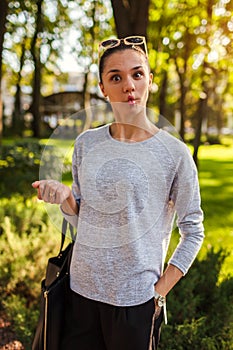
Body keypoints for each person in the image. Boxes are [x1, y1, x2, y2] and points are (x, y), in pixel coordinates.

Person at [32, 36, 204, 350]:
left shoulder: (174, 153)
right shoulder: (87, 143)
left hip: (134, 303)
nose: (129, 85)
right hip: (79, 292)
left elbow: (193, 230)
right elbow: (83, 216)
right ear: (103, 87)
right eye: (116, 77)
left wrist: (159, 291)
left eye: (137, 74)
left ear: (150, 81)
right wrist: (65, 197)